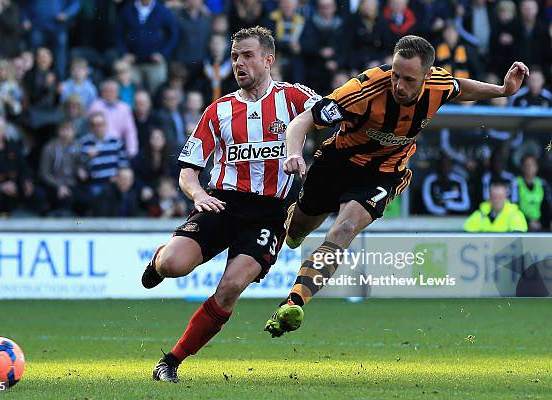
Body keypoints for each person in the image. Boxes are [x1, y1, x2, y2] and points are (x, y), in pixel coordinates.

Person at [263, 35, 529, 338]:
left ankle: (294, 301)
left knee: (344, 228)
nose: (399, 85)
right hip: (337, 164)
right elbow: (303, 122)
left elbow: (459, 86)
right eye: (395, 75)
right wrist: (295, 153)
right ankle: (294, 220)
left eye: (409, 79)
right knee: (296, 233)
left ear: (427, 76)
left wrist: (503, 90)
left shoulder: (437, 85)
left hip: (384, 172)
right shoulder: (362, 90)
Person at [140, 26, 320, 383]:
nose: (239, 63)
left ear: (269, 60)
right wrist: (198, 194)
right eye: (235, 56)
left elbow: (334, 115)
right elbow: (187, 171)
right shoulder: (219, 110)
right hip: (221, 202)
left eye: (247, 55)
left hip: (268, 213)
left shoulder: (295, 98)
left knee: (230, 287)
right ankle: (161, 258)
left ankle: (171, 361)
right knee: (174, 265)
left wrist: (307, 157)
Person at [515, 154, 551, 231]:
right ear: (522, 167)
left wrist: (541, 223)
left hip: (540, 225)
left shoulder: (543, 184)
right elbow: (513, 206)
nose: (529, 168)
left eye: (532, 165)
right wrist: (528, 222)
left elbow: (547, 207)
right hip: (520, 224)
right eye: (527, 165)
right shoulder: (515, 183)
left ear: (537, 167)